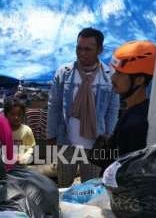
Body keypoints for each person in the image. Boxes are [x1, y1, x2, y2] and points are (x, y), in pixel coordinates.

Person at [47, 27, 119, 187]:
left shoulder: (109, 76)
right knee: (63, 187)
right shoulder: (64, 73)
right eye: (79, 48)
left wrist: (109, 137)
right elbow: (54, 106)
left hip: (95, 145)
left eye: (88, 49)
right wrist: (51, 135)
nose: (82, 53)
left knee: (92, 189)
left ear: (99, 50)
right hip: (67, 142)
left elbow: (112, 110)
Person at [92, 41, 156, 169]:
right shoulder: (135, 110)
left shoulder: (137, 123)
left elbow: (129, 174)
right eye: (114, 72)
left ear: (139, 80)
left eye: (120, 74)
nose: (113, 78)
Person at [5, 99, 36, 165]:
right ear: (6, 114)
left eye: (19, 115)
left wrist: (24, 158)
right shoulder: (3, 129)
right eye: (12, 114)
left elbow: (31, 147)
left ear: (23, 115)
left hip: (22, 166)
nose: (16, 117)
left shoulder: (27, 130)